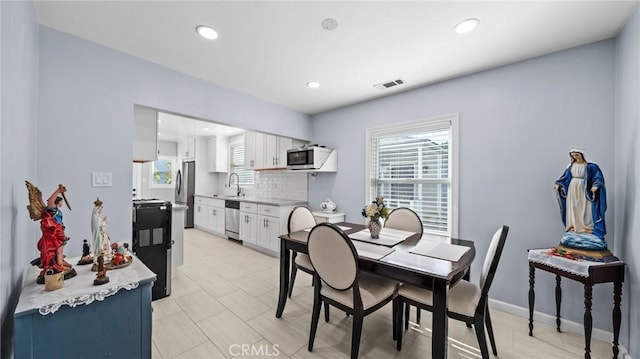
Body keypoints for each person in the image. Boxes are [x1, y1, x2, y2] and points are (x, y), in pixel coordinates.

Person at [554, 148, 607, 250]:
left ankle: (587, 228)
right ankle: (574, 227)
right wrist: (559, 184)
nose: (575, 157)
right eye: (573, 156)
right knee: (574, 208)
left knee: (585, 208)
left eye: (577, 155)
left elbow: (598, 177)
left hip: (584, 189)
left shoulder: (591, 166)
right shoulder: (571, 166)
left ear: (582, 155)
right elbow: (565, 178)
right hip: (573, 189)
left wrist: (595, 186)